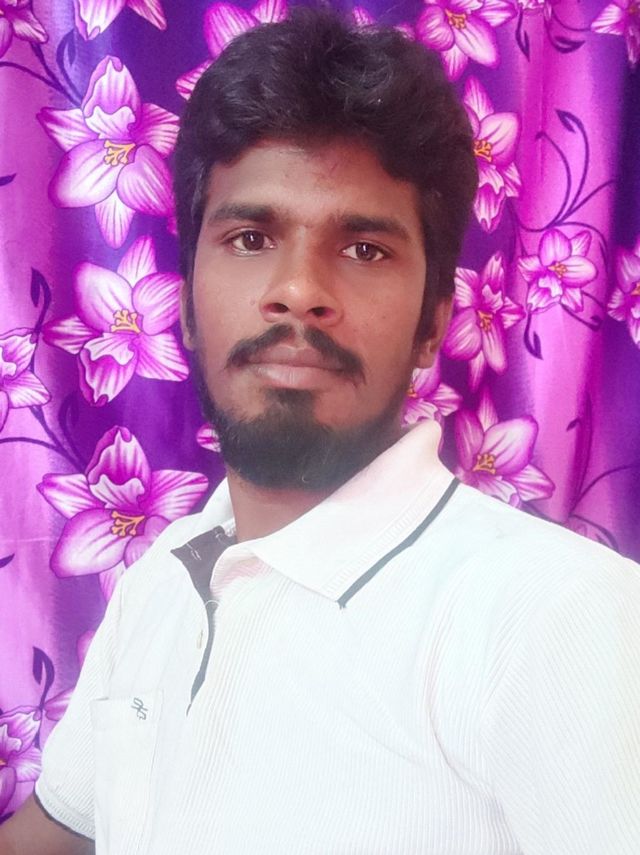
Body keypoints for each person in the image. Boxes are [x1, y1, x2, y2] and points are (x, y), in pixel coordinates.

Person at [1, 7, 639, 855]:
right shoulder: (161, 579)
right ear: (184, 303)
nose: (299, 290)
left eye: (364, 248)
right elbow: (54, 834)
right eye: (250, 237)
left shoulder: (561, 618)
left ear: (432, 323)